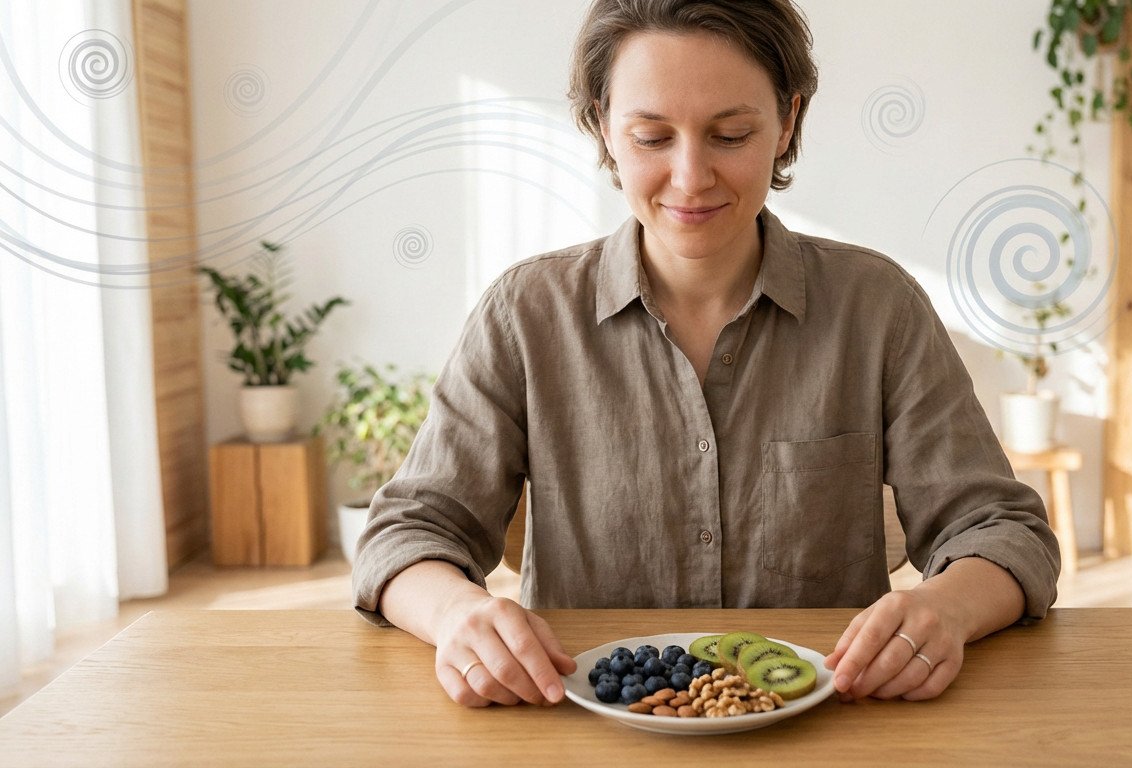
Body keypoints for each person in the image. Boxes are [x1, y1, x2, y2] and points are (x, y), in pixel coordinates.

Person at [352, 0, 1059, 709]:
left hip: (827, 731)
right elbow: (406, 533)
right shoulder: (525, 315)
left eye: (730, 134)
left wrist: (947, 608)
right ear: (603, 125)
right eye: (652, 137)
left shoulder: (878, 308)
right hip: (587, 735)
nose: (691, 178)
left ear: (787, 121)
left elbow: (1002, 529)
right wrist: (455, 614)